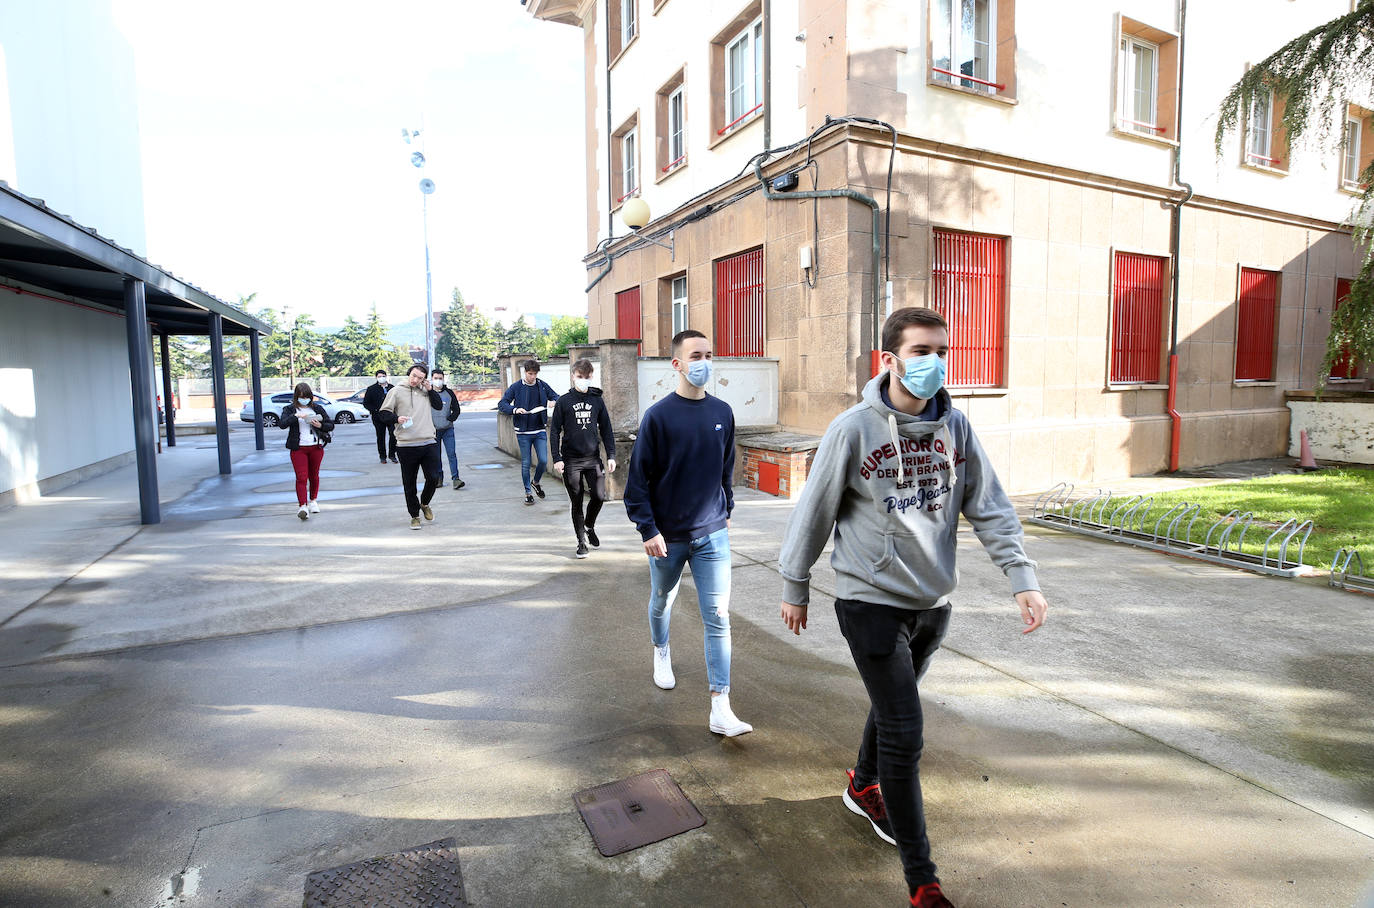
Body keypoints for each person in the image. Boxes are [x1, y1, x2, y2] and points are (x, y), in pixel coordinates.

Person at [776, 307, 1049, 908]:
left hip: (933, 601)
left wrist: (1020, 577)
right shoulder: (853, 429)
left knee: (891, 705)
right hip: (867, 600)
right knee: (906, 730)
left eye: (942, 350)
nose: (935, 362)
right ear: (890, 360)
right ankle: (922, 881)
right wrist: (794, 582)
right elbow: (814, 509)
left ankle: (861, 783)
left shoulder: (957, 429)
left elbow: (991, 507)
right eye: (921, 350)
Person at [624, 329, 751, 737]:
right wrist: (648, 528)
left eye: (709, 354)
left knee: (717, 615)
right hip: (668, 536)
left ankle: (721, 706)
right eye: (696, 355)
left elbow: (725, 467)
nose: (704, 363)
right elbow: (637, 481)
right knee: (662, 599)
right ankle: (661, 650)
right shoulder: (658, 417)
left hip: (713, 533)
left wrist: (726, 508)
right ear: (676, 364)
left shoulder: (722, 412)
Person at [550, 358, 616, 559]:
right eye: (580, 377)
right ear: (573, 376)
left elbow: (606, 428)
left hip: (593, 458)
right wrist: (557, 458)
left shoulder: (597, 399)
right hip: (571, 460)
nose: (583, 381)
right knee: (576, 500)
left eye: (587, 377)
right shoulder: (563, 401)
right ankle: (581, 542)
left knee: (599, 496)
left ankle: (589, 525)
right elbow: (554, 431)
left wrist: (611, 455)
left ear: (592, 377)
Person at [376, 364, 445, 530]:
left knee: (433, 478)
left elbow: (438, 406)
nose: (416, 380)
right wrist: (396, 418)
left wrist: (430, 390)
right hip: (406, 444)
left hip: (428, 441)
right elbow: (383, 413)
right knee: (409, 483)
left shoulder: (425, 391)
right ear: (409, 374)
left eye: (420, 378)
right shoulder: (396, 391)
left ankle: (425, 503)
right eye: (414, 376)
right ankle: (414, 516)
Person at [498, 359, 559, 505]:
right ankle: (528, 493)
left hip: (539, 429)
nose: (532, 377)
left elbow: (557, 397)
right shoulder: (516, 387)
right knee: (526, 462)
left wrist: (553, 402)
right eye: (530, 374)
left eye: (535, 374)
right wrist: (514, 410)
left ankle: (536, 482)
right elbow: (502, 404)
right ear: (525, 372)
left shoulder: (542, 385)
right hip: (523, 431)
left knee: (543, 461)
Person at [278, 382, 334, 521]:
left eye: (307, 396)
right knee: (301, 477)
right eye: (302, 397)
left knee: (314, 475)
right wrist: (296, 417)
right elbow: (282, 424)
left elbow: (330, 425)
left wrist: (319, 425)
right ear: (297, 397)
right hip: (298, 448)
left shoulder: (317, 408)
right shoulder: (290, 409)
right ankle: (302, 506)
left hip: (316, 446)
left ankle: (313, 501)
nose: (305, 399)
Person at [430, 368, 465, 490]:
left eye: (440, 378)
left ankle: (456, 479)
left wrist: (450, 419)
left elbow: (456, 409)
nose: (438, 381)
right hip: (433, 431)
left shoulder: (449, 393)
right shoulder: (427, 393)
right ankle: (439, 479)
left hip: (448, 429)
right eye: (436, 378)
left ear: (443, 379)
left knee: (451, 454)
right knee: (436, 456)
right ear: (431, 379)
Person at [363, 369, 398, 464]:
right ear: (376, 378)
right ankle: (382, 456)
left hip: (390, 416)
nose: (382, 378)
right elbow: (366, 403)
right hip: (378, 417)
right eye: (379, 376)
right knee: (380, 436)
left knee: (393, 435)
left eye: (383, 376)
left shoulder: (392, 388)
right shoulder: (371, 389)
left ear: (386, 377)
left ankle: (392, 455)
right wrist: (375, 410)